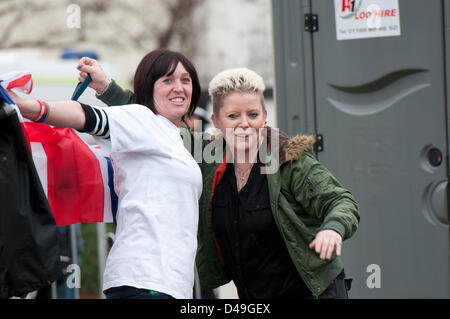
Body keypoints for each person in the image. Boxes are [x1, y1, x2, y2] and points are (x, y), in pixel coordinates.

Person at [81, 63, 360, 299]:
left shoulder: (287, 159)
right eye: (233, 116)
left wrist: (332, 230)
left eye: (252, 115)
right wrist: (107, 88)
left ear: (264, 117)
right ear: (216, 121)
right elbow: (151, 124)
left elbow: (339, 200)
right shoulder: (206, 154)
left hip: (313, 291)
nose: (244, 123)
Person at [8, 49, 203, 299]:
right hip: (146, 282)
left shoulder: (174, 138)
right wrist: (29, 107)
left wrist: (107, 86)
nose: (178, 87)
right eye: (167, 80)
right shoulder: (145, 119)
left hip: (164, 285)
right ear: (148, 88)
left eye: (185, 80)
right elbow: (83, 115)